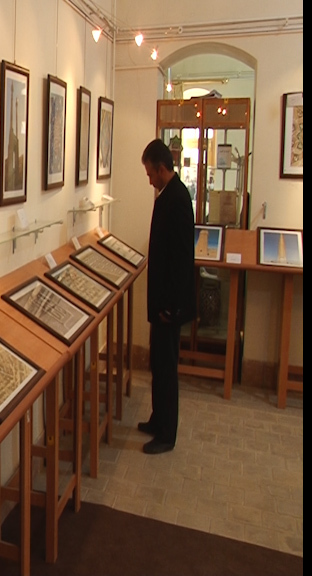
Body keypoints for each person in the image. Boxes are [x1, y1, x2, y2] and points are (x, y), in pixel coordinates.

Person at [138, 138, 196, 455]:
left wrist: (172, 307)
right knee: (157, 365)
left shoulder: (178, 198)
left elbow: (181, 259)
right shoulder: (167, 195)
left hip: (169, 306)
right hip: (160, 303)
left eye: (150, 174)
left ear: (162, 168)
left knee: (167, 368)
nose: (149, 180)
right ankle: (158, 418)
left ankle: (167, 433)